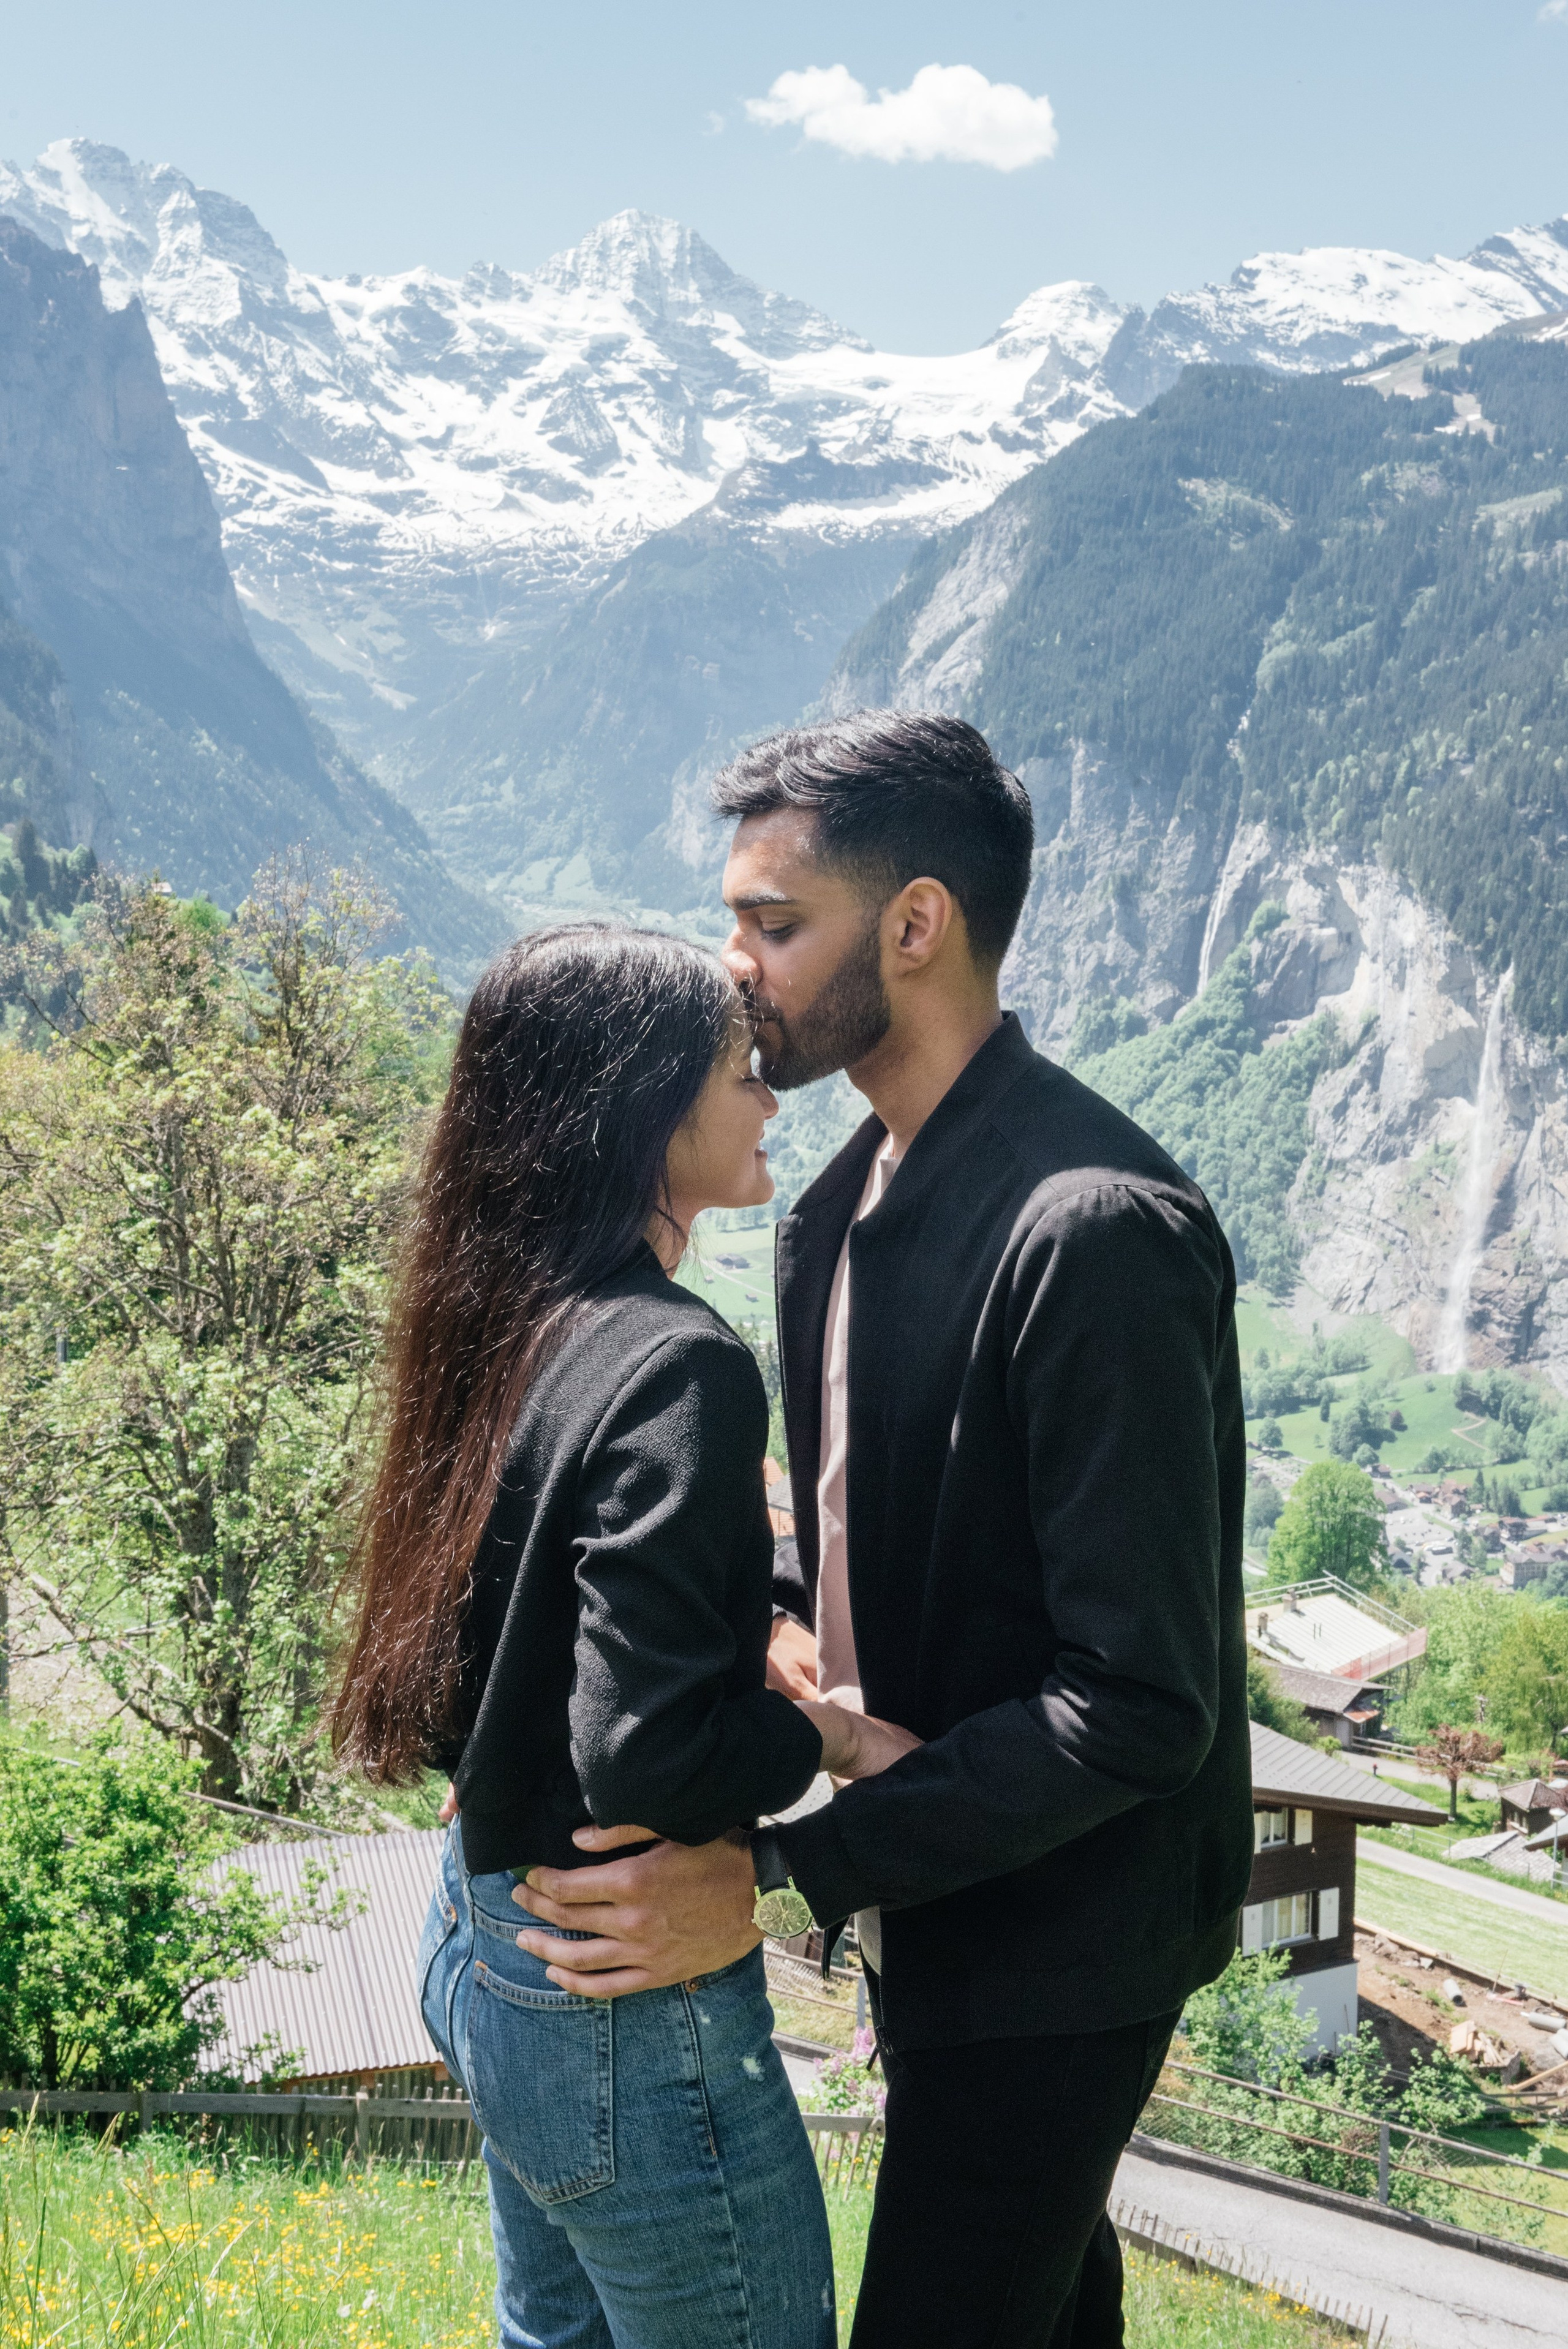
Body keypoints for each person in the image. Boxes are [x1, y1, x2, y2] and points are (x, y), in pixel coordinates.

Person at [510, 717, 1255, 2348]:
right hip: (943, 1885)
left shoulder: (1097, 1232)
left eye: (775, 924)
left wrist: (775, 1874)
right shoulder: (841, 1202)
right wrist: (783, 1611)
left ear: (913, 927)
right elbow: (847, 1501)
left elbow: (1141, 1700)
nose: (735, 967)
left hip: (1067, 1936)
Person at [331, 922, 916, 2349]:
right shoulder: (678, 1364)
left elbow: (536, 1629)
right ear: (640, 1112)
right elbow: (645, 1750)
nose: (771, 1096)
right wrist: (827, 1732)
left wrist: (754, 1604)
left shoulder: (500, 1316)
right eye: (737, 1070)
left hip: (483, 1942)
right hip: (623, 2012)